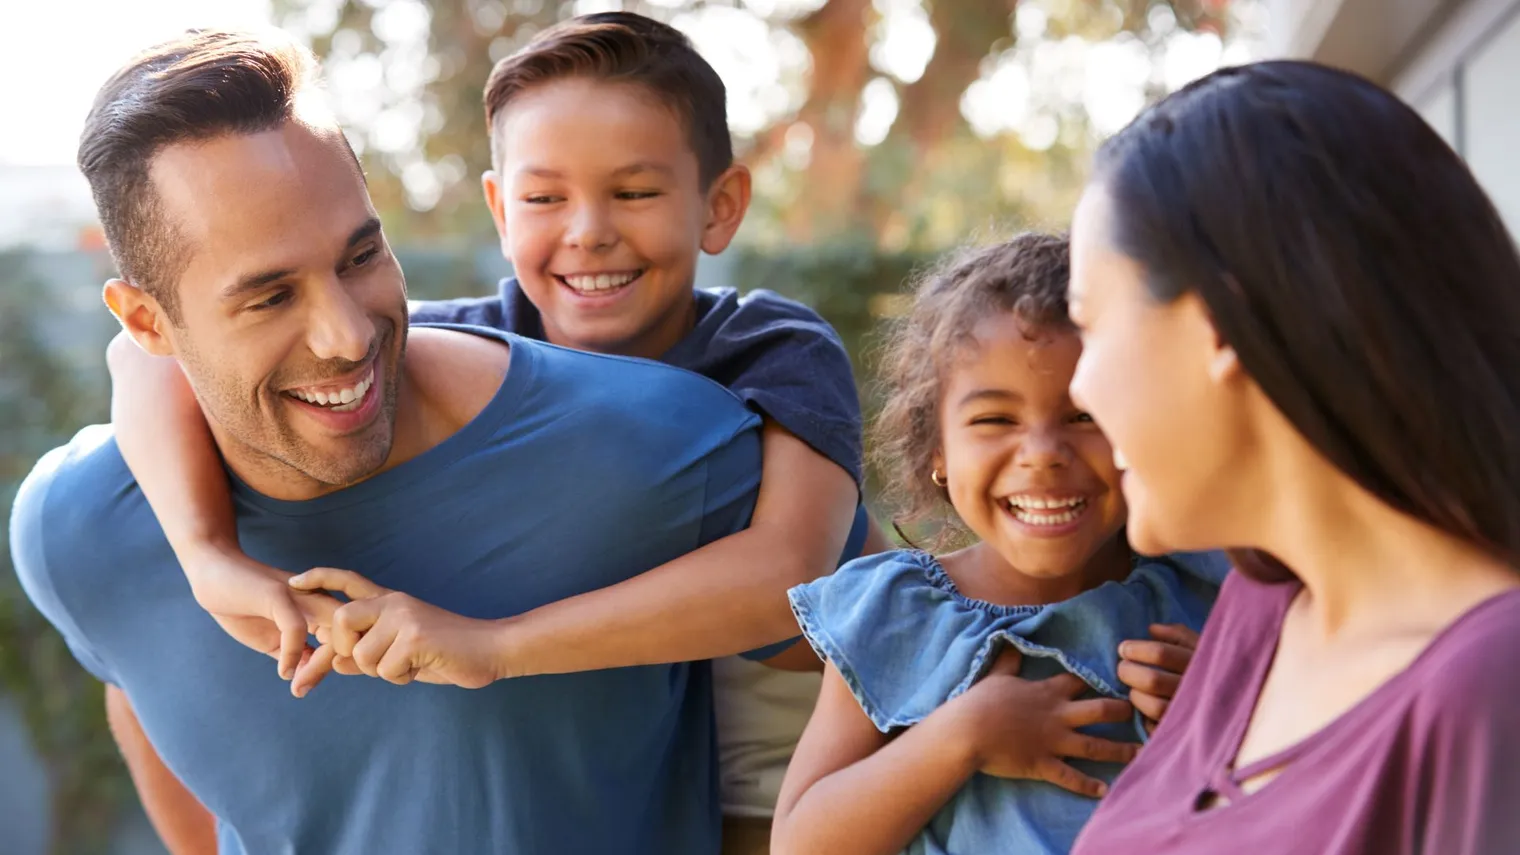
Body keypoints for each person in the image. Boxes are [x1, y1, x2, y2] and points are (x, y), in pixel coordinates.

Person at [103, 13, 885, 851]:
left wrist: (496, 646)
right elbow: (145, 356)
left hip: (779, 752)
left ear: (719, 205)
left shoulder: (770, 347)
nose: (588, 230)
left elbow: (799, 574)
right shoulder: (467, 351)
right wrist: (207, 558)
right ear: (500, 211)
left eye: (634, 191)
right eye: (545, 198)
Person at [1065, 61, 1520, 854]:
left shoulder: (1492, 685)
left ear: (1220, 323)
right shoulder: (1259, 608)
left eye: (1090, 323)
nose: (1081, 385)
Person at [768, 233, 1225, 855]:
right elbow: (801, 845)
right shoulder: (893, 614)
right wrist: (964, 736)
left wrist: (1222, 708)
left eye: (1084, 415)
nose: (1042, 455)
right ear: (939, 451)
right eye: (994, 420)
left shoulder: (1208, 591)